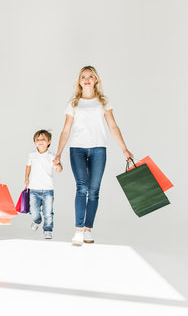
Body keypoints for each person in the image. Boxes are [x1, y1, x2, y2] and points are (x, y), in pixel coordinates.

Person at [53, 65, 133, 245]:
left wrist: (124, 149)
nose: (87, 79)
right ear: (79, 81)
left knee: (94, 191)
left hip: (98, 149)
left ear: (96, 79)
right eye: (83, 76)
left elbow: (113, 126)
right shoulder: (73, 103)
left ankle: (89, 229)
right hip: (77, 149)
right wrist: (58, 153)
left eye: (90, 76)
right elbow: (66, 130)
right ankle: (79, 230)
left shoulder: (103, 102)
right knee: (81, 187)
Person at [25, 130, 63, 240]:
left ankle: (48, 230)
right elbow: (28, 167)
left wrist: (57, 165)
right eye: (37, 139)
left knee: (48, 212)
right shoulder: (32, 155)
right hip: (34, 189)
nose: (40, 141)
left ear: (49, 142)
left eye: (43, 139)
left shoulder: (52, 156)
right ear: (34, 142)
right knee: (34, 211)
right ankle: (37, 221)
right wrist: (26, 178)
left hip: (48, 189)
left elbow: (59, 169)